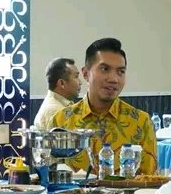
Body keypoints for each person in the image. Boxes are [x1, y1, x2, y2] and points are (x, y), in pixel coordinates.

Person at [52, 37, 157, 175]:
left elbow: (149, 179)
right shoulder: (61, 121)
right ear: (85, 74)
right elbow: (51, 176)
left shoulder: (141, 122)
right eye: (104, 69)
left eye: (121, 72)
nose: (114, 79)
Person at [33, 57, 81, 129]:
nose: (80, 82)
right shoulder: (56, 111)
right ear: (62, 83)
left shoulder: (60, 106)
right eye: (76, 77)